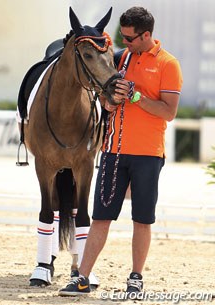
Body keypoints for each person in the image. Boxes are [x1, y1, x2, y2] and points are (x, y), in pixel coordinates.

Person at [59, 6, 183, 298]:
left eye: (129, 38)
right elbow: (105, 100)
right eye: (123, 37)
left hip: (148, 154)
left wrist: (136, 97)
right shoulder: (121, 59)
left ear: (146, 34)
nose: (123, 42)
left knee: (142, 219)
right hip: (113, 151)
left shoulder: (168, 64)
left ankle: (136, 278)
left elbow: (169, 112)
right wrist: (111, 102)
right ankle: (83, 277)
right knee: (101, 216)